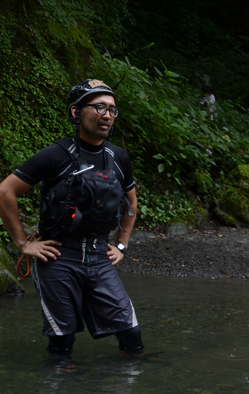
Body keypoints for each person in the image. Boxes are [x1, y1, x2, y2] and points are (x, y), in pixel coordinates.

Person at [0, 79, 143, 355]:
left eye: (112, 110)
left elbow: (131, 200)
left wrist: (122, 244)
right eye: (99, 106)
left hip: (100, 256)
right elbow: (6, 191)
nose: (107, 115)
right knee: (62, 343)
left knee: (131, 336)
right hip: (58, 257)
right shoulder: (56, 155)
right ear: (76, 113)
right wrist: (22, 243)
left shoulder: (118, 157)